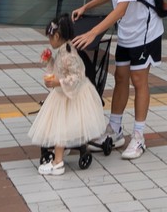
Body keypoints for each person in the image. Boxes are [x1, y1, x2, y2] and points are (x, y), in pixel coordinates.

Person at [71, 0, 164, 160]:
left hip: (145, 33)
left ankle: (139, 136)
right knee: (120, 77)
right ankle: (115, 129)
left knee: (139, 80)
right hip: (127, 32)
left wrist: (93, 31)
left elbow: (120, 8)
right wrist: (86, 7)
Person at [28, 14, 109, 177]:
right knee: (62, 126)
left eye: (50, 37)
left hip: (72, 96)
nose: (49, 41)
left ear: (57, 36)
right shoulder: (64, 50)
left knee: (60, 127)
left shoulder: (69, 54)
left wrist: (58, 82)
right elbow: (60, 69)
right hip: (66, 94)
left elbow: (77, 77)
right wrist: (50, 59)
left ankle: (57, 162)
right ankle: (66, 152)